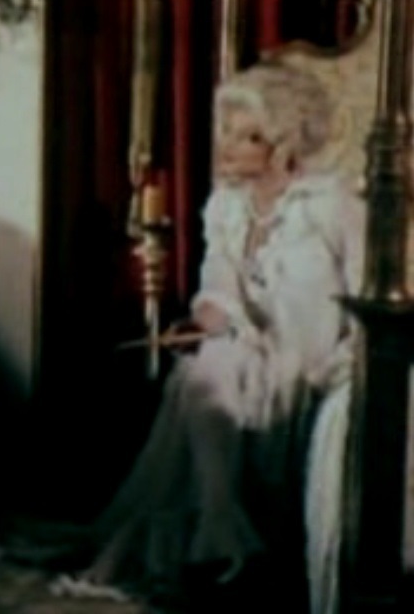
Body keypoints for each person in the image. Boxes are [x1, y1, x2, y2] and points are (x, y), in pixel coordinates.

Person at [56, 64, 364, 601]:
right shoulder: (225, 207)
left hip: (312, 357)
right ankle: (223, 524)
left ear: (282, 143)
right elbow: (216, 284)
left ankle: (223, 532)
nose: (226, 145)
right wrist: (209, 315)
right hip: (247, 351)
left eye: (245, 136)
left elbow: (367, 297)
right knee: (207, 369)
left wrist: (348, 365)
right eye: (225, 130)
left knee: (201, 377)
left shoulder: (335, 206)